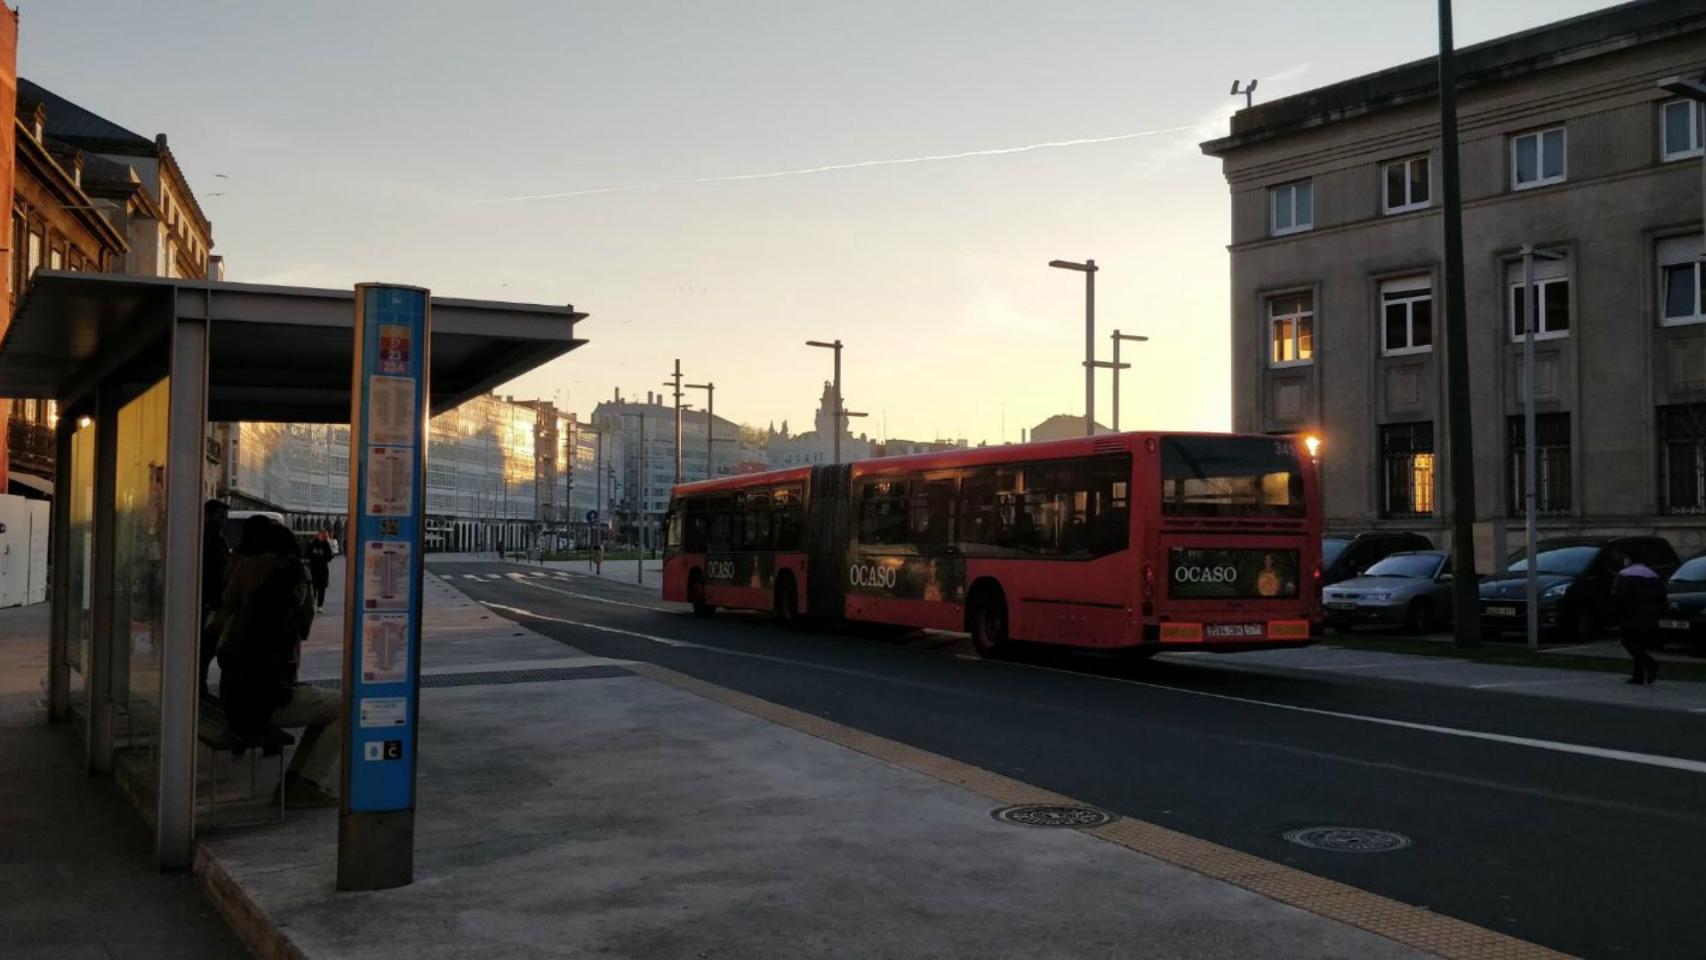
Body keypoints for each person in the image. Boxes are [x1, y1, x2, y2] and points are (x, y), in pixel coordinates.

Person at [217, 516, 342, 807]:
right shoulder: (282, 604)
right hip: (262, 702)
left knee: (320, 702)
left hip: (235, 698)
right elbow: (305, 624)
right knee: (348, 706)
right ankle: (305, 782)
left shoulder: (241, 593)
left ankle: (299, 781)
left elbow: (226, 634)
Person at [1613, 558, 1663, 685]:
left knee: (1629, 643)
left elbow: (1619, 596)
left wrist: (1619, 614)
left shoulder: (1624, 574)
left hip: (1631, 615)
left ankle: (1650, 665)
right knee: (1640, 644)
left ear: (1629, 560)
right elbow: (1662, 596)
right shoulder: (1653, 574)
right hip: (1649, 615)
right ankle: (1638, 676)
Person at [199, 500, 230, 701]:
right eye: (220, 516)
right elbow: (214, 571)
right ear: (209, 516)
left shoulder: (215, 537)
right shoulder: (209, 538)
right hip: (210, 602)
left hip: (213, 601)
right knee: (206, 648)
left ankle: (200, 687)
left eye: (224, 517)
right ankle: (199, 688)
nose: (224, 521)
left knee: (207, 648)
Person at [305, 529, 335, 612]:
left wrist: (324, 555)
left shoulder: (326, 545)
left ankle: (320, 606)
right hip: (313, 570)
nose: (323, 537)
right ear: (318, 535)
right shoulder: (312, 544)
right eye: (322, 535)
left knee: (322, 590)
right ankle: (312, 604)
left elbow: (329, 557)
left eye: (324, 536)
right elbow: (306, 555)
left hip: (323, 571)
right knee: (313, 589)